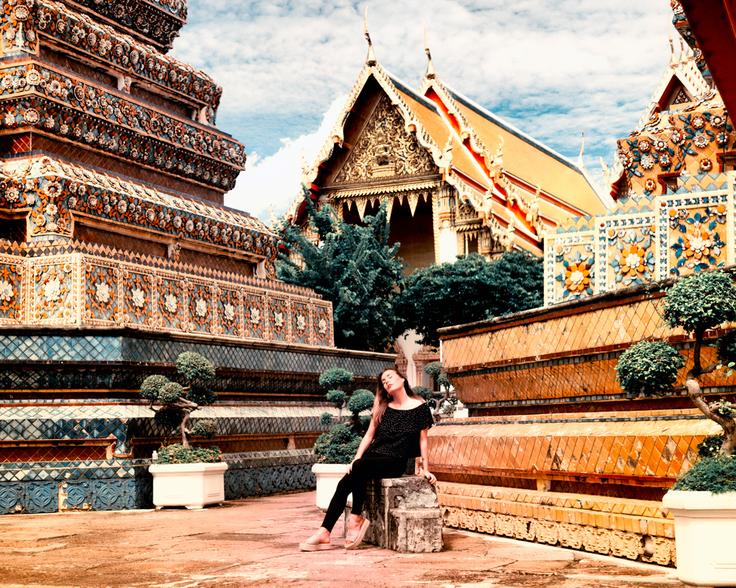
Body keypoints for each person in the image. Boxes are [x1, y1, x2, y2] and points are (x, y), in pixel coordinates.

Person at [300, 367, 436, 551]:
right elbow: (369, 436)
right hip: (373, 457)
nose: (386, 381)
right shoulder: (383, 407)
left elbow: (423, 441)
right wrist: (355, 459)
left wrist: (425, 468)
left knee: (358, 470)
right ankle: (326, 530)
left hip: (395, 460)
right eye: (383, 381)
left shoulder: (420, 407)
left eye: (389, 377)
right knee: (345, 482)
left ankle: (354, 519)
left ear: (402, 379)